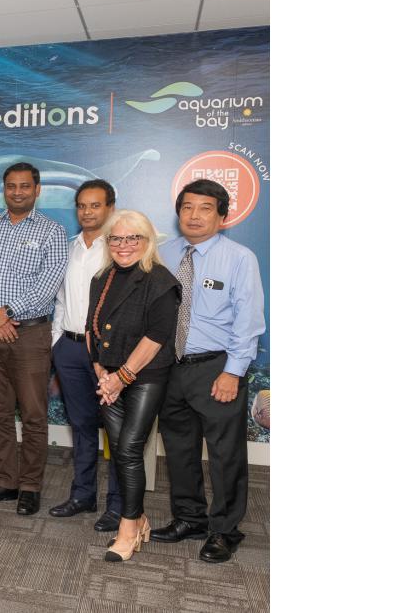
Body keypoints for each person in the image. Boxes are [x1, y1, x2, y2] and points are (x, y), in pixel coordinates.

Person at [151, 179, 265, 564]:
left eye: (204, 208)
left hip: (217, 367)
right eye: (187, 207)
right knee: (179, 449)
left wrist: (233, 372)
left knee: (224, 454)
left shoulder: (239, 258)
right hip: (170, 366)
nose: (194, 216)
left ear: (221, 216)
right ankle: (189, 519)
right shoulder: (164, 254)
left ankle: (225, 530)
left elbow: (248, 321)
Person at [0, 162, 68, 515]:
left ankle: (30, 486)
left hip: (30, 333)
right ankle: (6, 481)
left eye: (24, 186)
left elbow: (48, 284)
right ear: (3, 189)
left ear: (37, 190)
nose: (17, 192)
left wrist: (5, 311)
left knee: (34, 414)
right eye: (11, 186)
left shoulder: (52, 232)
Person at [86, 209, 181, 562]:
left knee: (128, 449)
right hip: (108, 378)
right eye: (116, 238)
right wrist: (100, 370)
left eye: (132, 238)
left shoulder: (161, 281)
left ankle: (128, 529)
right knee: (119, 451)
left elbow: (156, 337)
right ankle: (138, 518)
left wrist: (120, 378)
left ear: (147, 241)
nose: (123, 245)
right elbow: (91, 327)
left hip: (145, 377)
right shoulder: (102, 278)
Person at [48, 179, 124, 530]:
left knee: (117, 430)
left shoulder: (120, 249)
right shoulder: (69, 248)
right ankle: (83, 495)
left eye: (95, 205)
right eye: (82, 206)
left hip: (109, 354)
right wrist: (56, 343)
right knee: (81, 426)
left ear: (110, 208)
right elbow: (61, 300)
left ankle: (118, 505)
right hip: (70, 348)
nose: (87, 212)